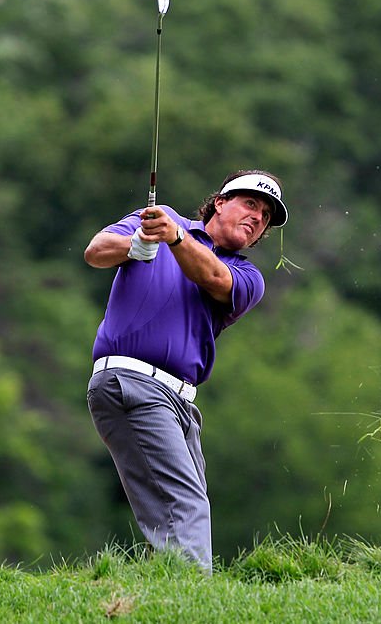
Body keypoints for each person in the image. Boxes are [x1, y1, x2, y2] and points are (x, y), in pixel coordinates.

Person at [84, 169, 288, 572]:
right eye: (250, 204)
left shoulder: (248, 276)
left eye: (264, 216)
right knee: (184, 504)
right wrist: (136, 244)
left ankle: (163, 593)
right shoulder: (161, 220)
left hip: (179, 403)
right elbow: (95, 251)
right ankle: (193, 602)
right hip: (132, 383)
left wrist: (172, 238)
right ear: (219, 202)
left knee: (182, 508)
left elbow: (213, 277)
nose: (256, 218)